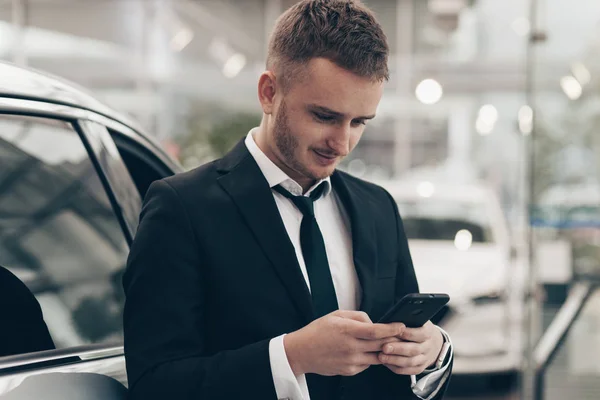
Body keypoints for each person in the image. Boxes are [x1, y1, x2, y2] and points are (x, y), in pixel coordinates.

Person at [123, 1, 453, 399]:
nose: (343, 143)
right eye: (324, 116)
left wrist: (432, 351)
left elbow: (404, 357)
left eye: (359, 122)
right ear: (269, 93)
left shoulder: (378, 206)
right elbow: (155, 384)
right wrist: (291, 356)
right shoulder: (182, 208)